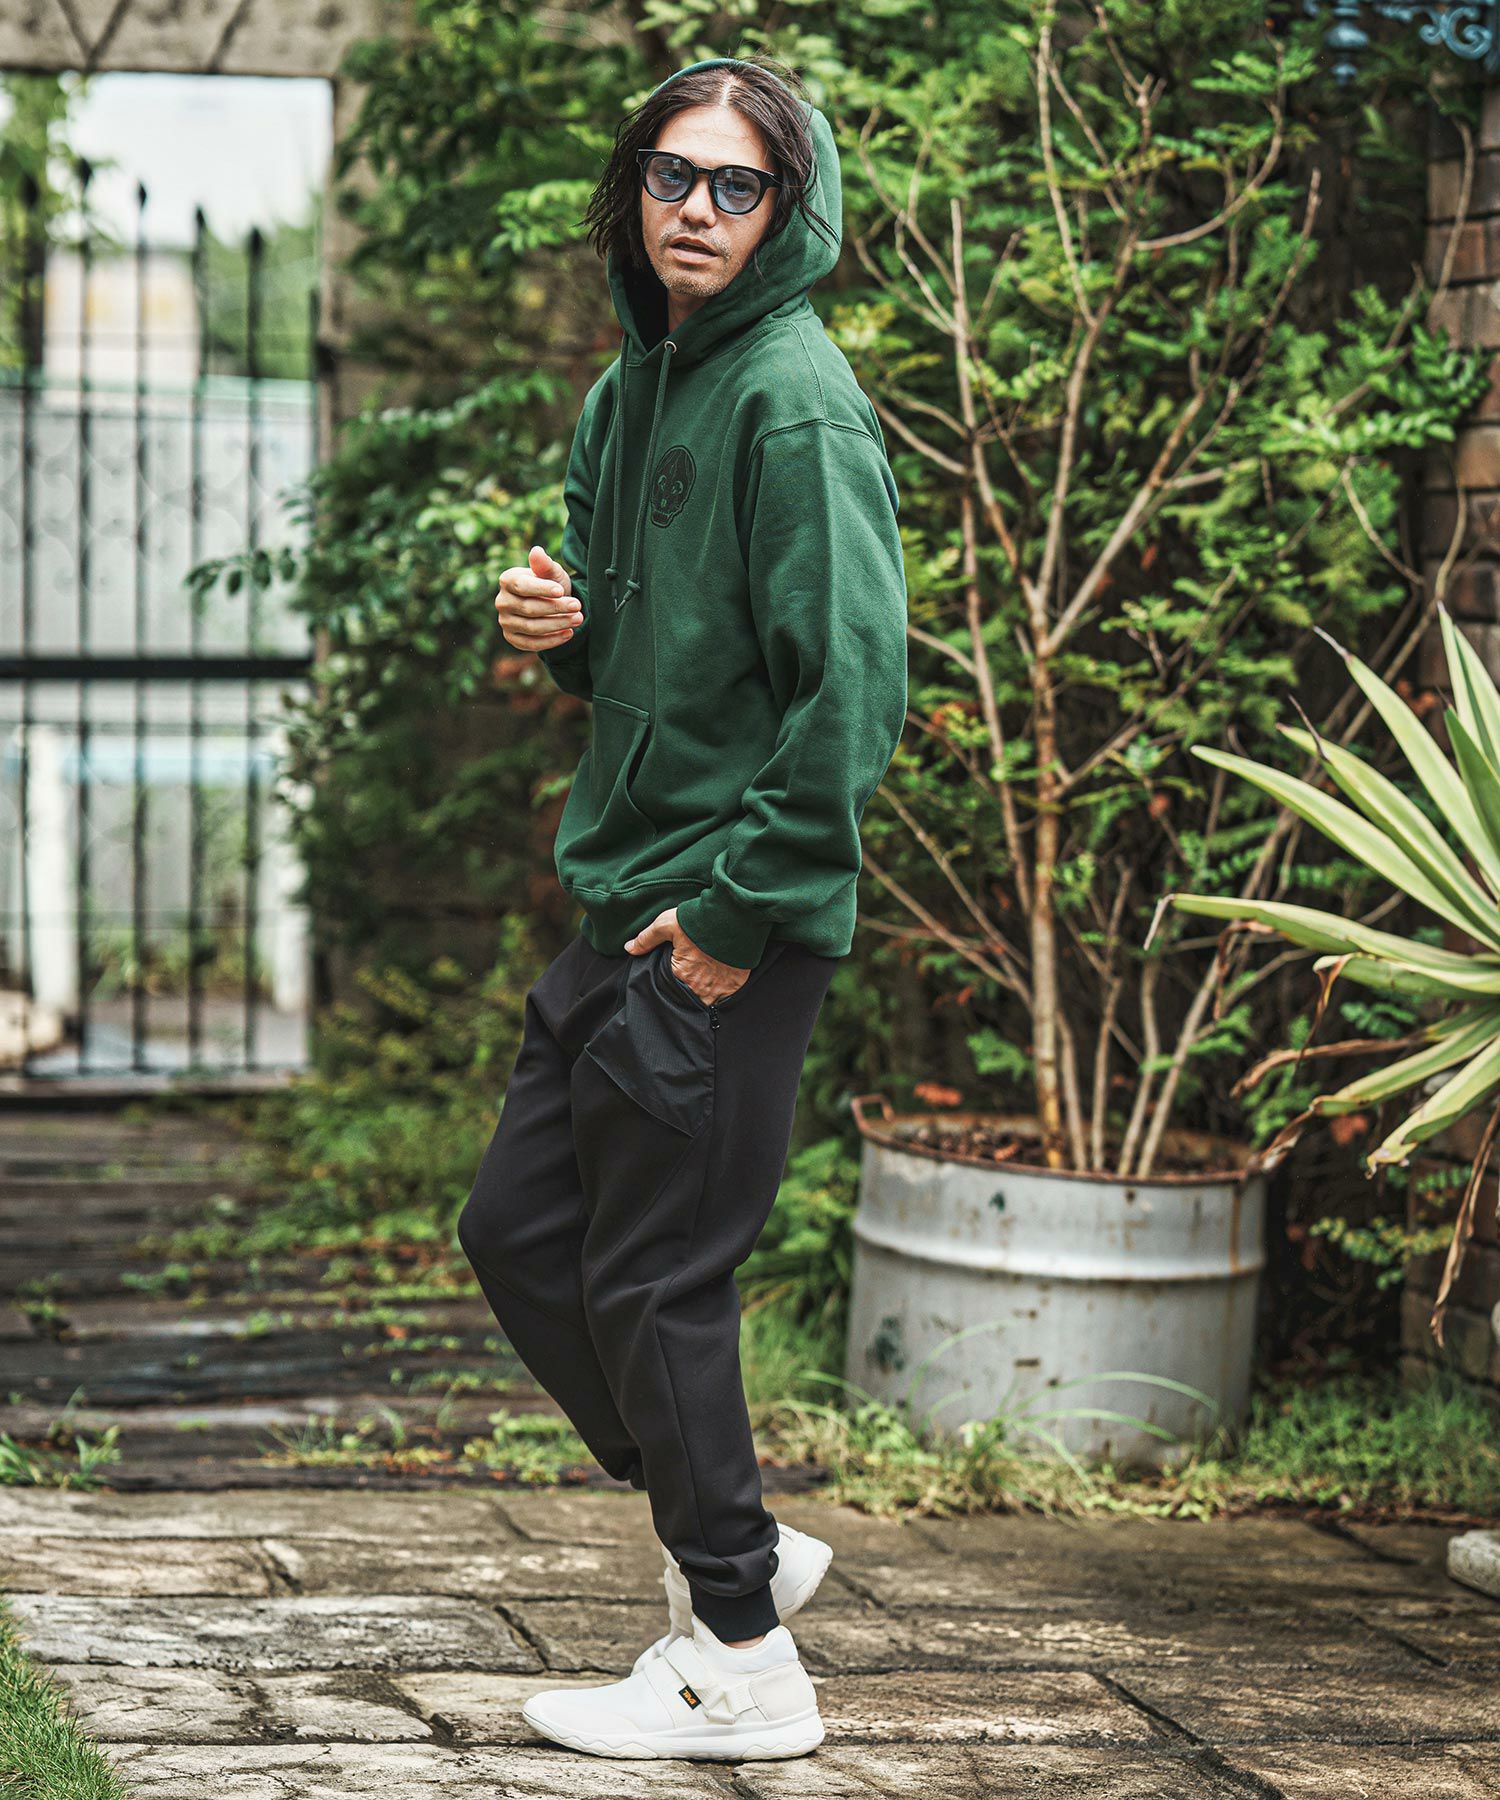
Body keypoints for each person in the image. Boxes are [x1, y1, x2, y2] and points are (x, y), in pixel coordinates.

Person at [457, 51, 909, 1762]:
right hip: (620, 895)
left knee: (657, 1281)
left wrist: (739, 913)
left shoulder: (796, 404)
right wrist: (561, 634)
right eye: (671, 174)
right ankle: (737, 1540)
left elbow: (851, 692)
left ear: (791, 208)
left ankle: (743, 1662)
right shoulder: (629, 393)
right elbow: (640, 658)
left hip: (723, 918)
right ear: (632, 189)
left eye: (736, 184)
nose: (696, 210)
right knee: (521, 1235)